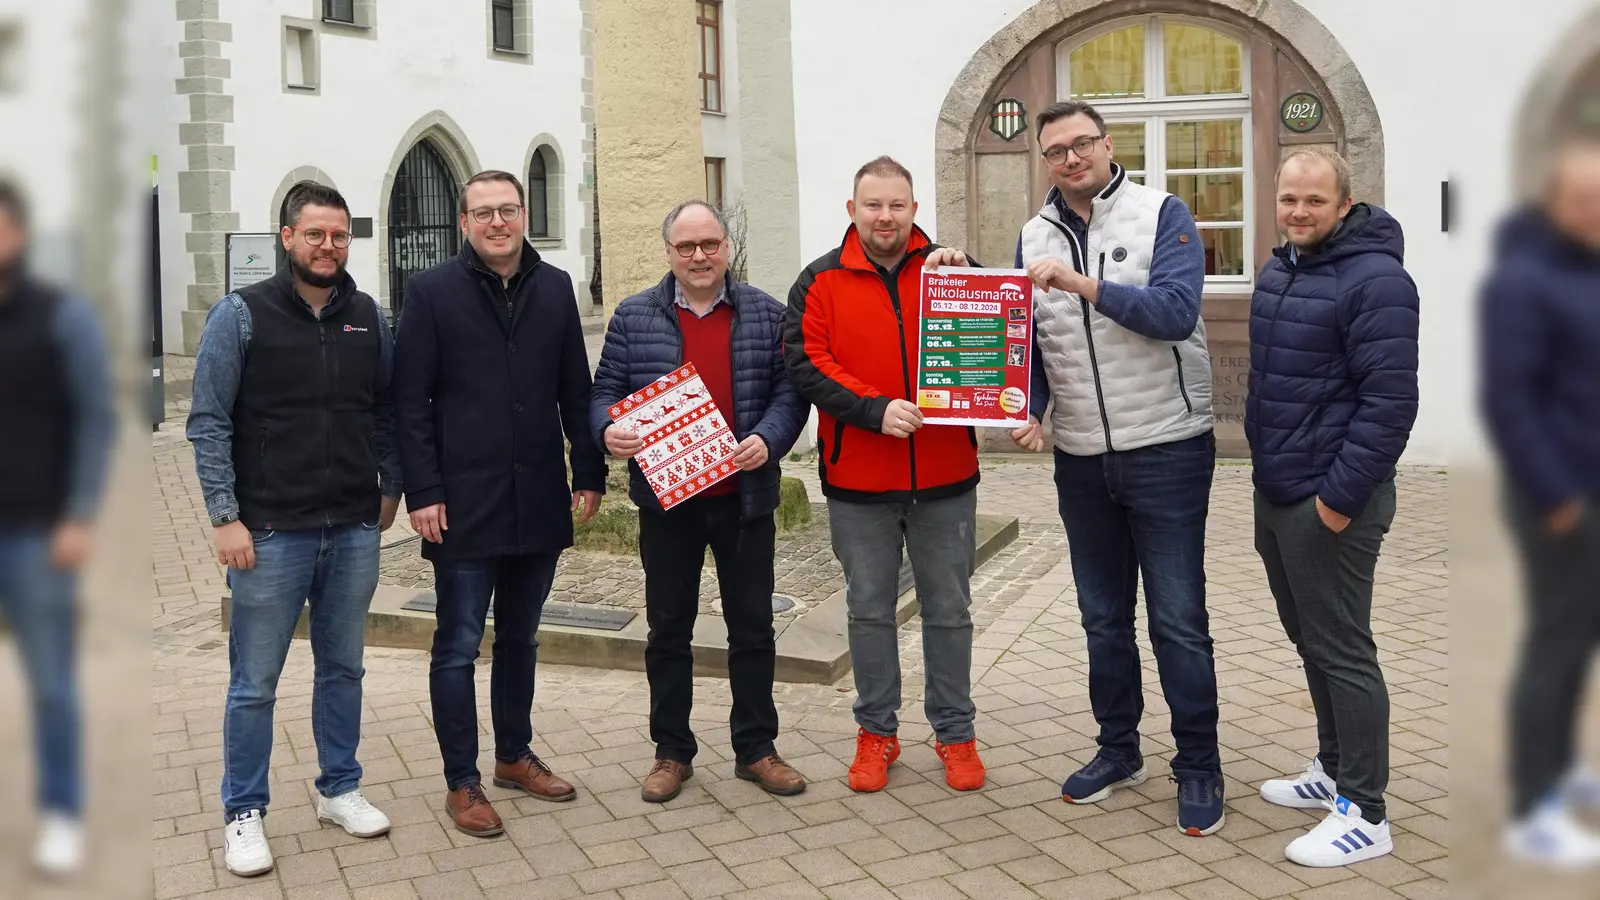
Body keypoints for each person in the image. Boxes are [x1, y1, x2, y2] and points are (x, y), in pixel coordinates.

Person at [1009, 99, 1224, 836]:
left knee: (1179, 623)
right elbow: (1029, 339)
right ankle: (1118, 750)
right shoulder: (1033, 234)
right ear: (1044, 161)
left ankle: (1198, 766)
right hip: (1081, 458)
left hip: (1166, 446)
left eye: (1082, 145)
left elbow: (1173, 313)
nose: (1071, 159)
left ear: (1107, 146)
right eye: (1056, 151)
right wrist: (1028, 407)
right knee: (1103, 621)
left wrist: (1080, 284)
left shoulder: (1164, 213)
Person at [187, 182, 400, 877]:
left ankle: (340, 788)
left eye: (339, 235)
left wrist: (389, 485)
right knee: (254, 682)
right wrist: (225, 516)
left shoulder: (369, 316)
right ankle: (243, 811)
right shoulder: (240, 316)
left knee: (344, 668)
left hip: (352, 528)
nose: (329, 246)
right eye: (315, 234)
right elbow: (209, 421)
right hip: (271, 533)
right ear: (286, 238)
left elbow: (386, 410)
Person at [393, 170, 606, 838]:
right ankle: (463, 781)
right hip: (462, 502)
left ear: (521, 215)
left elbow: (577, 388)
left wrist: (590, 470)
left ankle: (513, 754)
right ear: (463, 223)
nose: (496, 222)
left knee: (521, 637)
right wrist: (423, 491)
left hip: (538, 495)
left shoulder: (555, 288)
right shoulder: (431, 293)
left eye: (507, 210)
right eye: (481, 212)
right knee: (457, 645)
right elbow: (411, 403)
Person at [590, 200, 810, 803]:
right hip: (667, 501)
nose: (699, 256)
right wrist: (608, 429)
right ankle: (671, 752)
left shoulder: (767, 313)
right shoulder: (634, 316)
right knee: (668, 630)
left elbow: (791, 394)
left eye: (709, 244)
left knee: (753, 628)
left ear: (726, 248)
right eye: (686, 247)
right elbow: (605, 390)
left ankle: (757, 749)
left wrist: (769, 438)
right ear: (669, 253)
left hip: (745, 499)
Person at [784, 156, 987, 793]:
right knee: (869, 613)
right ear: (852, 210)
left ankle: (955, 734)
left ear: (914, 210)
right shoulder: (819, 281)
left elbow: (998, 335)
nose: (885, 217)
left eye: (897, 205)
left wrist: (974, 274)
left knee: (949, 611)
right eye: (872, 205)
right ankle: (877, 733)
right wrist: (873, 410)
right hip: (859, 482)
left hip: (946, 474)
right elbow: (807, 365)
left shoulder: (950, 272)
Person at [1246, 147, 1419, 867]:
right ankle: (1332, 768)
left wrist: (1338, 503)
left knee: (1344, 650)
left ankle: (1366, 812)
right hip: (1279, 489)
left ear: (1344, 204)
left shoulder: (1378, 281)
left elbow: (1389, 405)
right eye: (1289, 199)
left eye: (1314, 201)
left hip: (1329, 501)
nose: (1298, 212)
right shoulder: (1281, 268)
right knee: (1311, 639)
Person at [1481, 136, 1600, 867]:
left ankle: (1559, 769)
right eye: (1584, 202)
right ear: (1554, 205)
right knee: (1555, 644)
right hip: (1560, 496)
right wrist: (1556, 495)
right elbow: (1510, 401)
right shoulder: (1522, 282)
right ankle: (1532, 807)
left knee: (1580, 640)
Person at [0, 180, 114, 876]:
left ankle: (63, 812)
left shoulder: (60, 316)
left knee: (50, 683)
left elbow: (95, 416)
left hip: (36, 534)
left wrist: (79, 513)